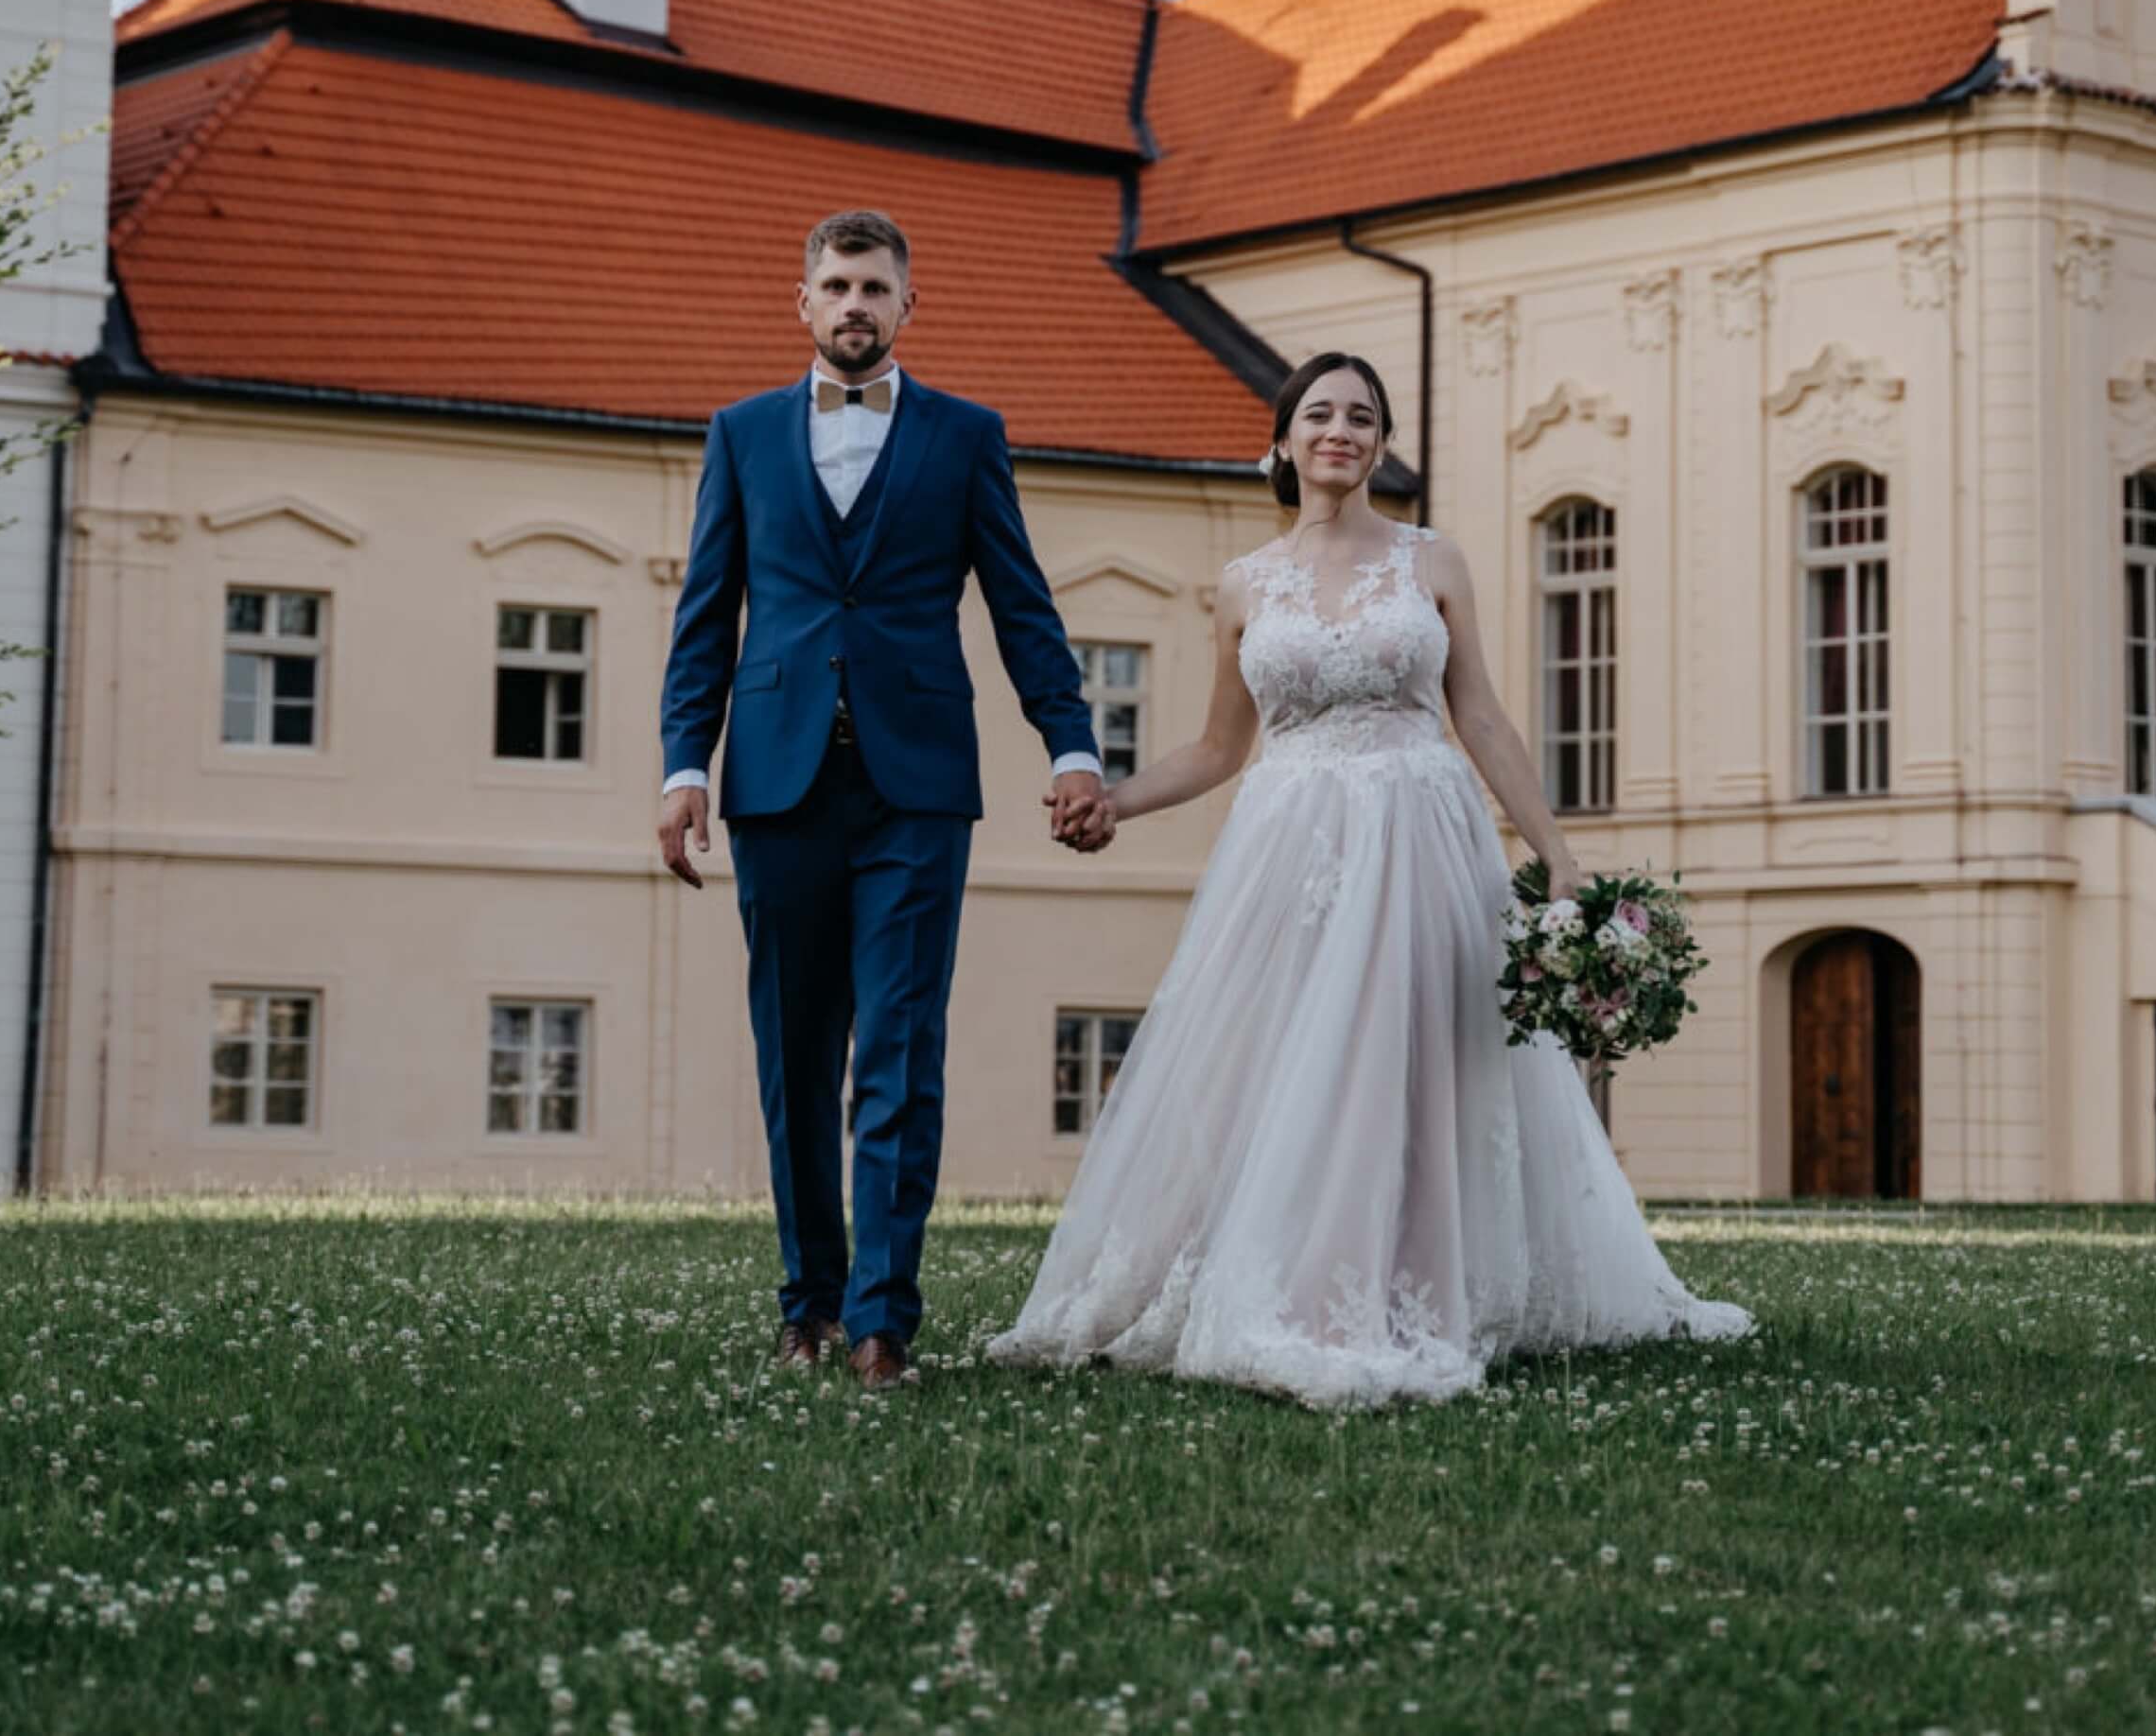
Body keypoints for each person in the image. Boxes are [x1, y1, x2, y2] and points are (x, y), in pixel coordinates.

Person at [988, 351, 1751, 1407]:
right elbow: (1218, 747)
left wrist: (1557, 853)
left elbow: (1477, 713)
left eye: (1361, 416)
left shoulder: (1432, 561)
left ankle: (1421, 1276)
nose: (1339, 430)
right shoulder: (1244, 584)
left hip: (1419, 831)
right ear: (1284, 440)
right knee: (1288, 1058)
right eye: (1319, 413)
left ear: (1381, 445)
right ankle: (1288, 1275)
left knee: (1416, 1050)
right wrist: (1112, 800)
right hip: (1288, 842)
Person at [658, 211, 1113, 1394]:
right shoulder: (743, 434)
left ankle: (881, 1324)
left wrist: (1070, 743)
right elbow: (706, 614)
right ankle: (807, 1301)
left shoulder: (966, 436)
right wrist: (683, 766)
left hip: (916, 787)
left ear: (909, 307)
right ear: (800, 303)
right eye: (834, 285)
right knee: (794, 1051)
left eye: (874, 287)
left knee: (900, 1055)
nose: (854, 303)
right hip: (776, 779)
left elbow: (1022, 605)